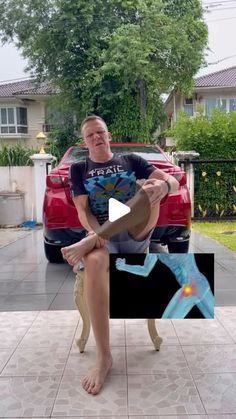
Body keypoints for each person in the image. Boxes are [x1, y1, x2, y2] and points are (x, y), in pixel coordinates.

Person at [61, 115, 179, 395]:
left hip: (136, 232)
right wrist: (98, 234)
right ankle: (104, 358)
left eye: (100, 132)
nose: (96, 138)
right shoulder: (79, 169)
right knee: (94, 259)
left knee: (151, 187)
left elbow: (173, 181)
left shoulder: (132, 161)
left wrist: (164, 186)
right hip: (102, 238)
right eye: (90, 135)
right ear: (85, 141)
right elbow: (82, 210)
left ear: (108, 134)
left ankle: (90, 242)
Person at [116, 253, 214, 318]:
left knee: (167, 321)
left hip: (194, 286)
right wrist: (124, 266)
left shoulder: (181, 242)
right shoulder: (154, 249)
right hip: (197, 286)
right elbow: (145, 270)